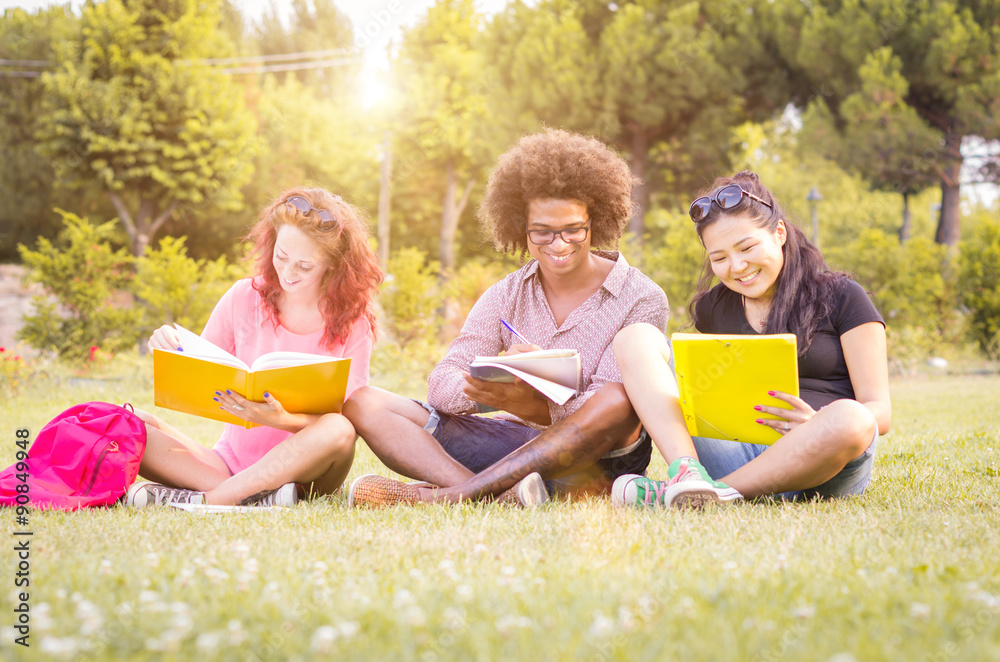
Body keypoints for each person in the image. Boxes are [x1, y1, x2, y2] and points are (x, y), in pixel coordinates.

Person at [343, 129, 668, 507]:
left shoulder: (641, 297)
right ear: (521, 228)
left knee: (614, 400)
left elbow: (616, 414)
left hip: (594, 457)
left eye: (573, 229)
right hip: (509, 447)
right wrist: (493, 379)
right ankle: (496, 492)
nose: (559, 244)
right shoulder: (504, 294)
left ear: (595, 221)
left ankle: (451, 497)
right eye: (542, 232)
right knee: (365, 403)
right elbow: (441, 386)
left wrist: (530, 404)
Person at [612, 171, 891, 507]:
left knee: (853, 418)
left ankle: (708, 494)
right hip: (736, 449)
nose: (738, 266)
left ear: (779, 233)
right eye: (719, 258)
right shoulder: (713, 308)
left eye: (747, 247)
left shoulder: (843, 295)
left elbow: (880, 412)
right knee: (635, 337)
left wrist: (817, 422)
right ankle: (689, 477)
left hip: (825, 458)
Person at [123, 187, 383, 507]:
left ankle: (207, 502)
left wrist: (281, 419)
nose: (287, 272)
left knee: (338, 427)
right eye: (282, 257)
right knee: (132, 425)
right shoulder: (243, 296)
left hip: (308, 473)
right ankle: (254, 498)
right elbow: (201, 369)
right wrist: (169, 345)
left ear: (332, 263)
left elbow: (352, 422)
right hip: (229, 465)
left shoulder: (353, 321)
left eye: (304, 266)